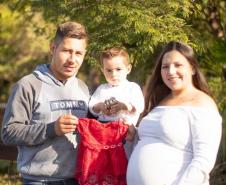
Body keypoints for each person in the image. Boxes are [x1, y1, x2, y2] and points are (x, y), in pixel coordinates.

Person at [1, 21, 89, 185]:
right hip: (38, 180)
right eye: (66, 51)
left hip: (76, 180)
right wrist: (51, 129)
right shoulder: (28, 85)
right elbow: (9, 133)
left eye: (78, 53)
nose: (72, 59)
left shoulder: (83, 88)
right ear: (52, 48)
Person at [126, 41, 222, 185]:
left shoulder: (202, 103)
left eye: (178, 65)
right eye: (165, 67)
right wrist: (133, 136)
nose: (170, 71)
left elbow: (203, 160)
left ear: (193, 68)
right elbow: (150, 143)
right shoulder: (160, 102)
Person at [88, 47, 144, 158]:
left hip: (125, 132)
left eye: (118, 69)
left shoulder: (132, 87)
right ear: (103, 70)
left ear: (128, 69)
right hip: (104, 132)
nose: (113, 74)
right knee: (104, 159)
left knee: (124, 158)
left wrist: (124, 106)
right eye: (109, 70)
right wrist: (100, 107)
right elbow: (91, 107)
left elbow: (139, 106)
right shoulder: (102, 89)